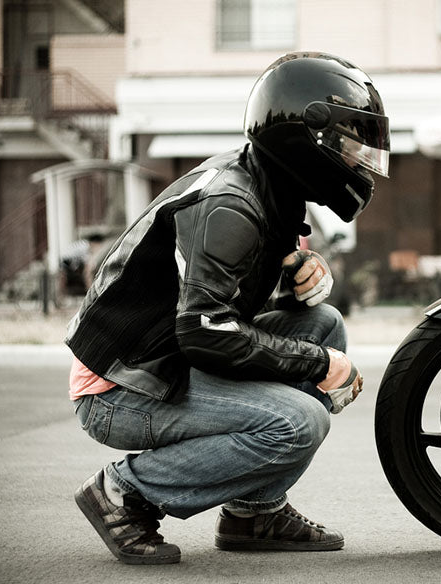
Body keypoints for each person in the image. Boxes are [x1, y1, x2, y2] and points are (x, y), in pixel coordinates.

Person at [66, 52, 390, 564]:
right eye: (351, 145)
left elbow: (217, 297)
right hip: (123, 387)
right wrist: (317, 366)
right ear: (307, 136)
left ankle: (254, 513)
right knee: (300, 420)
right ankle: (124, 491)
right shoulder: (230, 205)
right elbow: (205, 331)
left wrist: (294, 274)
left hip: (168, 355)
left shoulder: (270, 187)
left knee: (322, 326)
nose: (359, 160)